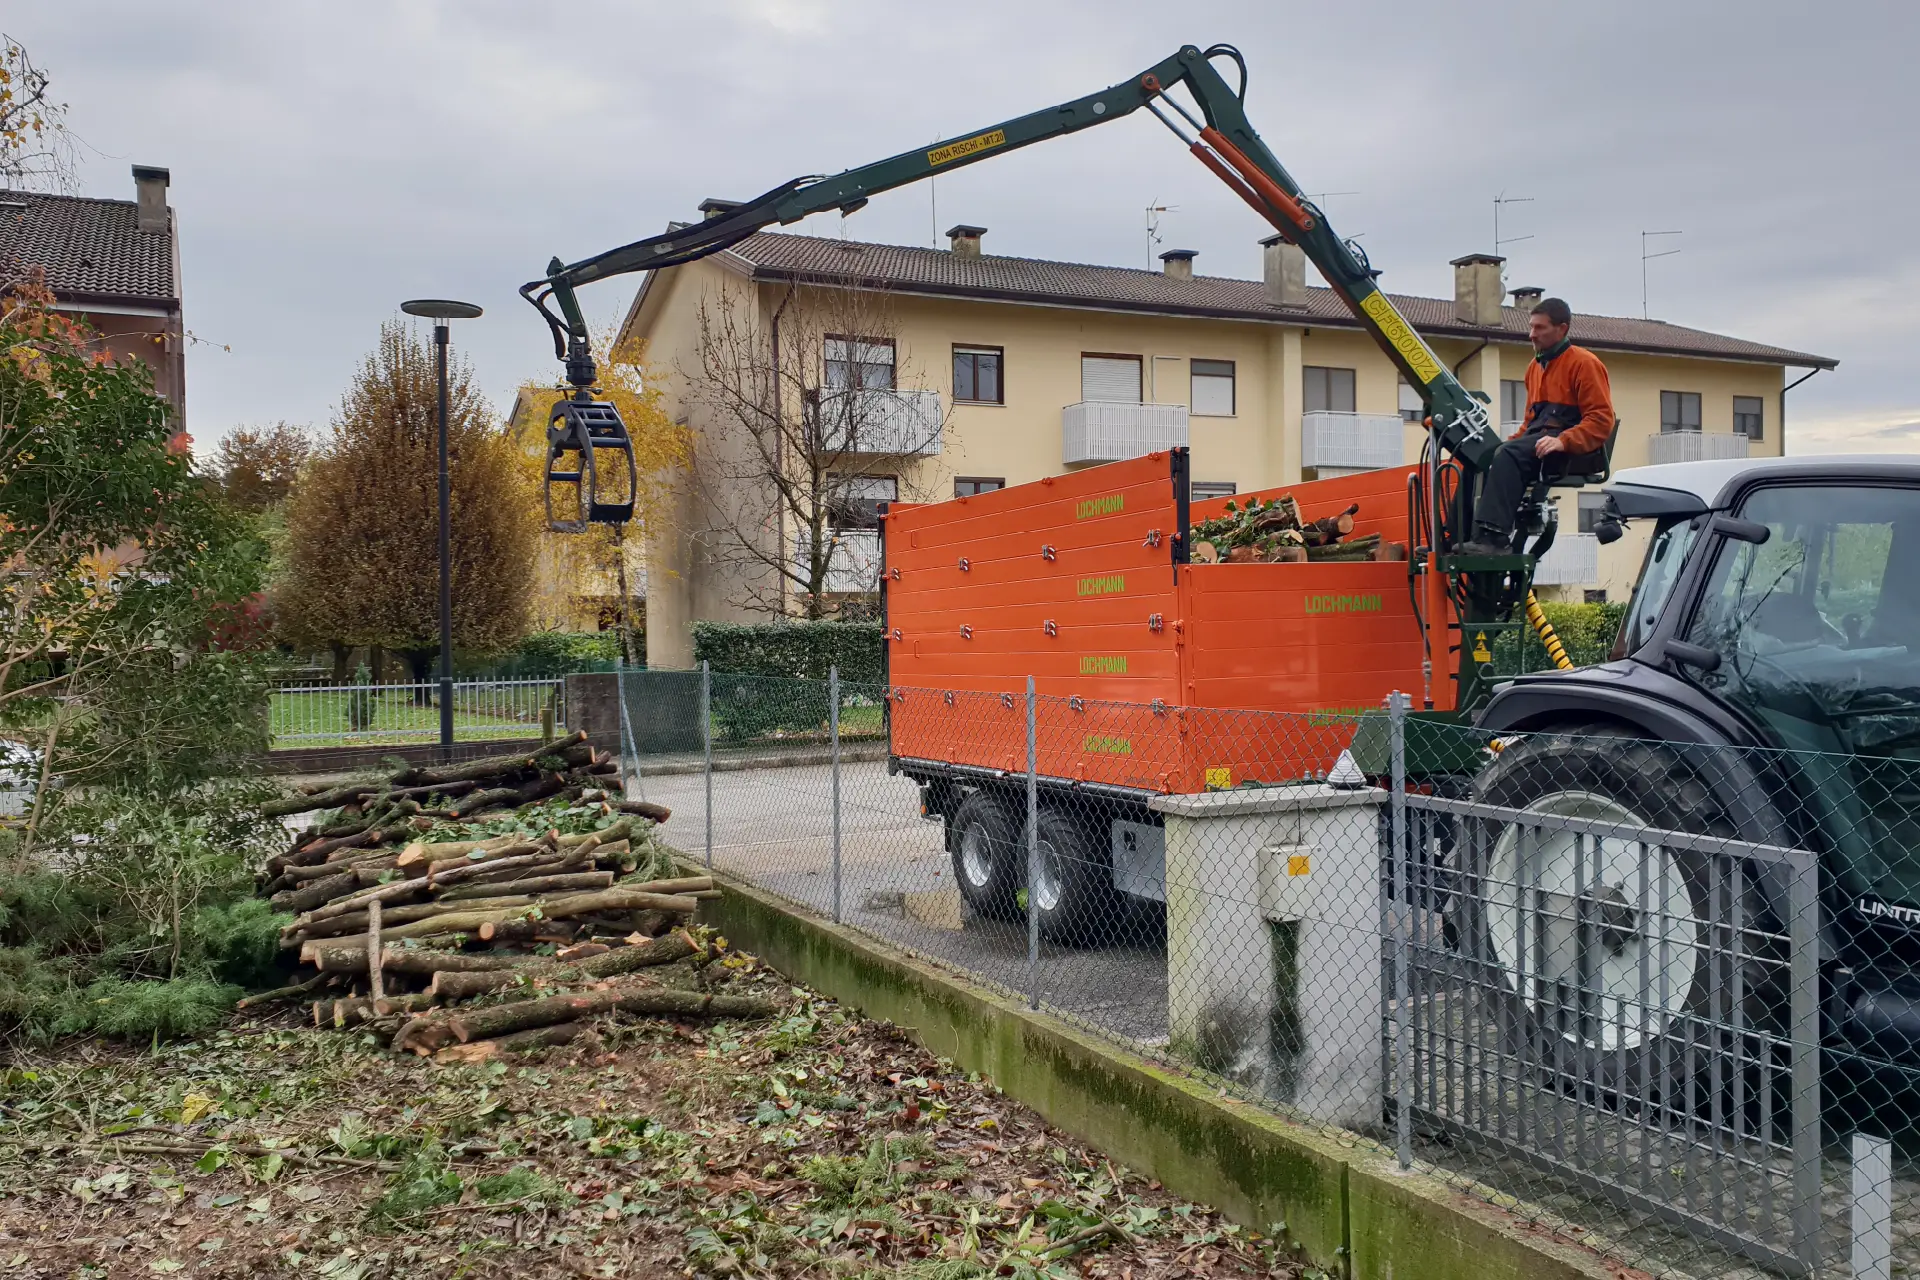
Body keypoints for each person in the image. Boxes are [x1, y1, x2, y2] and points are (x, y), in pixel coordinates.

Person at [1456, 297, 1617, 556]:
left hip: (1569, 449)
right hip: (1541, 440)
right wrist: (1507, 443)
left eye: (1540, 328)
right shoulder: (1535, 367)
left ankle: (1495, 539)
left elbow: (1600, 420)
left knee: (1507, 455)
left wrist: (1564, 440)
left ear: (1562, 329)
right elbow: (1531, 422)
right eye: (1531, 327)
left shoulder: (1584, 364)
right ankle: (1456, 535)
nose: (1532, 334)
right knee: (1480, 456)